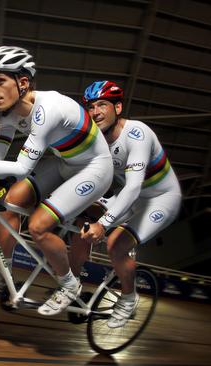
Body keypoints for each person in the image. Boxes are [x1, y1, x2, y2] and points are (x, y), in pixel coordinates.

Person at [0, 46, 113, 316]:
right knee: (9, 201)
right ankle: (4, 274)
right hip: (64, 163)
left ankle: (69, 285)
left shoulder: (47, 110)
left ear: (23, 82)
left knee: (38, 225)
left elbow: (22, 167)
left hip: (94, 169)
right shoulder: (9, 115)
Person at [71, 80, 182, 328]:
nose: (95, 112)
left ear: (118, 108)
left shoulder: (137, 133)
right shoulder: (96, 141)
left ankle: (128, 298)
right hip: (129, 198)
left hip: (159, 200)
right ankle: (72, 284)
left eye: (102, 105)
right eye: (90, 107)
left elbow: (133, 187)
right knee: (81, 221)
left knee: (115, 245)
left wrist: (105, 223)